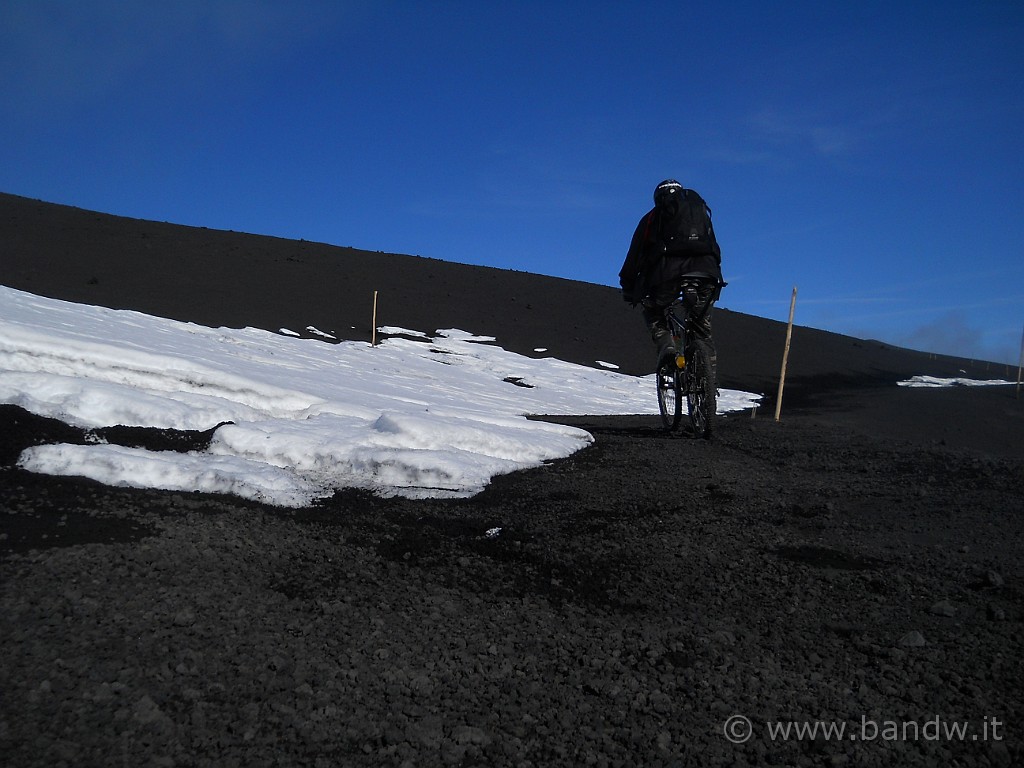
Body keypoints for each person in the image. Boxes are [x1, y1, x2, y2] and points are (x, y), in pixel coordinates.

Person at [619, 179, 724, 366]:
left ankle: (667, 347)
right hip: (706, 274)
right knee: (702, 331)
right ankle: (709, 387)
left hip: (667, 276)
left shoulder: (652, 217)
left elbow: (635, 255)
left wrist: (628, 286)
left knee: (654, 311)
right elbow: (714, 248)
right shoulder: (701, 213)